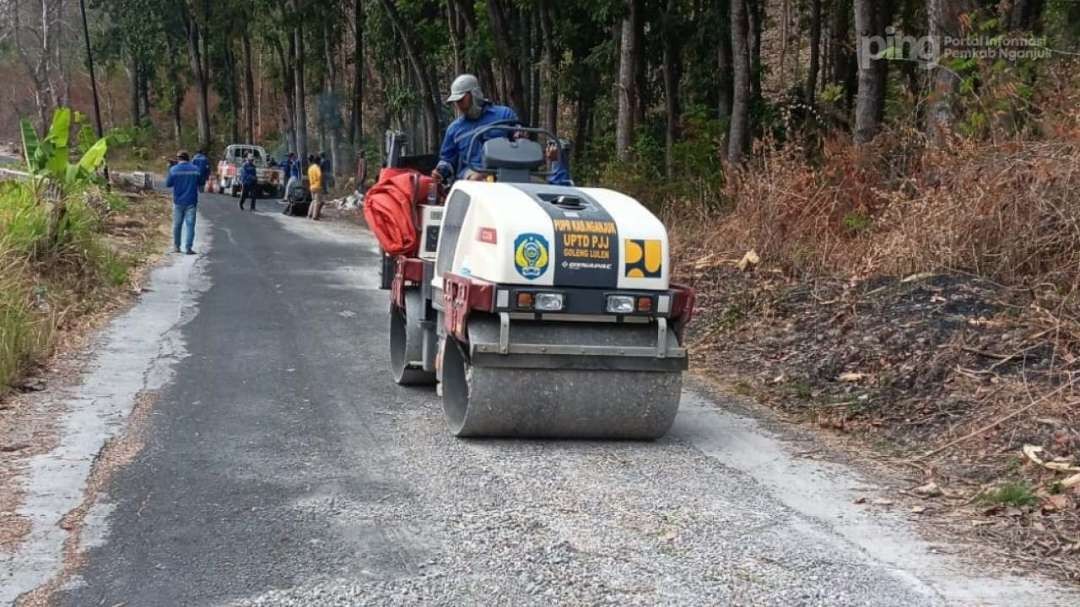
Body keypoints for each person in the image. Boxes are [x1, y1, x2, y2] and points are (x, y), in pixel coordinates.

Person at [432, 73, 572, 186]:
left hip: (508, 173)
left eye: (461, 100)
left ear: (474, 94)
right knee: (476, 180)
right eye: (455, 102)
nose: (458, 105)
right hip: (472, 176)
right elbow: (447, 160)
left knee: (545, 191)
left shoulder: (504, 114)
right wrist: (440, 171)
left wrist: (522, 138)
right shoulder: (454, 129)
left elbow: (521, 144)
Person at [165, 151, 201, 255]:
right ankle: (188, 248)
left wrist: (170, 169)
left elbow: (168, 184)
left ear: (178, 159)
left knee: (177, 225)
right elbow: (200, 182)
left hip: (178, 201)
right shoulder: (195, 169)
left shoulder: (173, 169)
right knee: (190, 225)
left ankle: (177, 247)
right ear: (188, 158)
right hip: (191, 201)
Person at [307, 155, 324, 220]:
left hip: (311, 186)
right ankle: (315, 216)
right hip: (317, 186)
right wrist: (320, 182)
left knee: (313, 201)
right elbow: (319, 175)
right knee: (317, 202)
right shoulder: (317, 167)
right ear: (318, 161)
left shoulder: (310, 168)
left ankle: (309, 214)